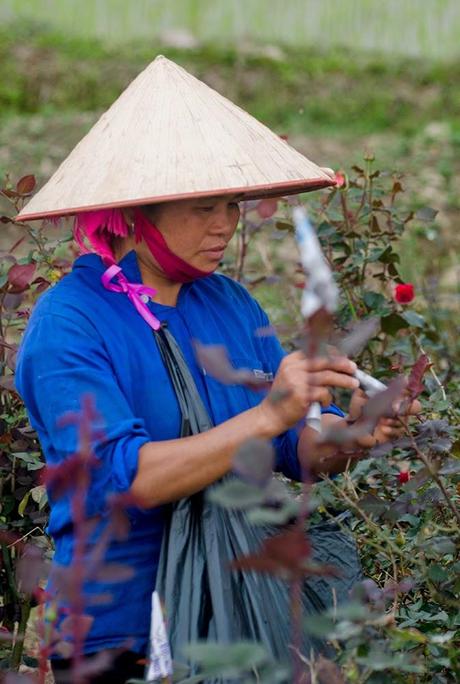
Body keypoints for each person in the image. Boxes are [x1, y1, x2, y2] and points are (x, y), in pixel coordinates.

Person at [15, 57, 418, 683]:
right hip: (120, 635)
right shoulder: (69, 322)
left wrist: (350, 436)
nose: (226, 223)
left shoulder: (227, 304)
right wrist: (267, 414)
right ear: (137, 210)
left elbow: (287, 445)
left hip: (240, 616)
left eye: (232, 203)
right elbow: (127, 482)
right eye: (204, 205)